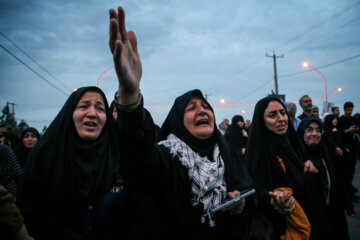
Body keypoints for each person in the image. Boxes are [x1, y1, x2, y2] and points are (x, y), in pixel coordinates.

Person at [109, 6, 254, 239]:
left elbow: (248, 193)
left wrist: (241, 205)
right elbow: (139, 160)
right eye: (191, 107)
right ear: (177, 121)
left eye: (206, 106)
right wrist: (129, 96)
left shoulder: (226, 153)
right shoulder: (167, 157)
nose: (202, 110)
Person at [18, 87, 130, 240]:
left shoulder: (117, 156)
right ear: (70, 112)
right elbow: (32, 213)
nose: (92, 113)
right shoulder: (44, 156)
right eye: (84, 106)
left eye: (100, 108)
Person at [245, 96, 331, 240]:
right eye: (272, 115)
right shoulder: (257, 153)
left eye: (283, 113)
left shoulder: (293, 145)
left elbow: (317, 173)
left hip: (310, 219)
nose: (281, 119)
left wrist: (315, 167)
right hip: (281, 228)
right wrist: (273, 199)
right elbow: (253, 192)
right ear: (262, 120)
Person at [297, 117, 350, 240]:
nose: (314, 134)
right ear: (301, 133)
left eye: (318, 130)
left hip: (332, 216)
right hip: (311, 223)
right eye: (309, 130)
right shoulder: (297, 159)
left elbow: (335, 182)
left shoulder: (325, 154)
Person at [338, 101, 359, 199]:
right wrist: (348, 131)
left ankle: (350, 191)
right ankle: (345, 193)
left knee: (352, 170)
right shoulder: (341, 120)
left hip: (354, 148)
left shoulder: (354, 119)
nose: (350, 112)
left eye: (351, 110)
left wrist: (355, 129)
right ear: (344, 109)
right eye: (348, 110)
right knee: (345, 172)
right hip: (345, 149)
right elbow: (339, 134)